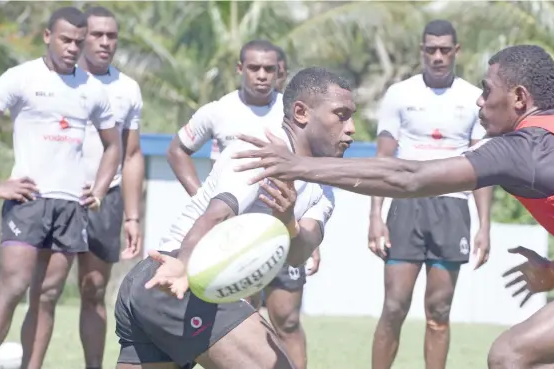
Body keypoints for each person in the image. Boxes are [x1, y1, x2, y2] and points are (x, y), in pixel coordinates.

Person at [231, 45, 554, 369]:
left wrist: (295, 164)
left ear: (519, 98)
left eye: (488, 91)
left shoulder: (523, 148)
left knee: (509, 355)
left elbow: (411, 176)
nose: (480, 103)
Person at [114, 67, 353, 369]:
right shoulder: (260, 153)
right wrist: (184, 267)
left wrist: (287, 219)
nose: (351, 128)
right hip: (177, 276)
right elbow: (216, 214)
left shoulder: (323, 188)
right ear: (301, 112)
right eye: (341, 115)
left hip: (155, 283)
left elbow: (300, 253)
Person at [0, 7, 122, 369]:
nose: (73, 48)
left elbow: (114, 145)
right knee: (13, 285)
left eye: (79, 41)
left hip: (70, 205)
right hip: (28, 199)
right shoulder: (20, 77)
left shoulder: (92, 89)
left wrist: (101, 188)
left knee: (47, 295)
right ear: (47, 36)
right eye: (65, 40)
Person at [165, 39, 317, 369]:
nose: (262, 75)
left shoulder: (292, 113)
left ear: (281, 73)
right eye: (254, 68)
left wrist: (307, 237)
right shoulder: (218, 111)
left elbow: (308, 179)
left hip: (282, 227)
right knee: (239, 318)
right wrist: (203, 198)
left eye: (269, 69)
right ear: (240, 69)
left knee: (287, 318)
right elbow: (177, 151)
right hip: (232, 234)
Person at [366, 19, 492, 369]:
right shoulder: (400, 94)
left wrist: (484, 225)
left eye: (444, 50)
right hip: (406, 208)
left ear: (456, 51)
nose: (437, 56)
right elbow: (382, 161)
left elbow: (483, 168)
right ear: (422, 51)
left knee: (438, 311)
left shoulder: (473, 98)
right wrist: (376, 216)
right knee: (394, 307)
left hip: (452, 210)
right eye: (430, 50)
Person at [76, 6, 144, 369]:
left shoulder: (127, 88)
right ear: (79, 36)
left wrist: (133, 216)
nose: (105, 42)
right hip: (56, 196)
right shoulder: (61, 81)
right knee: (45, 290)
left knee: (93, 289)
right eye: (96, 34)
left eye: (111, 36)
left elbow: (131, 155)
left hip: (107, 199)